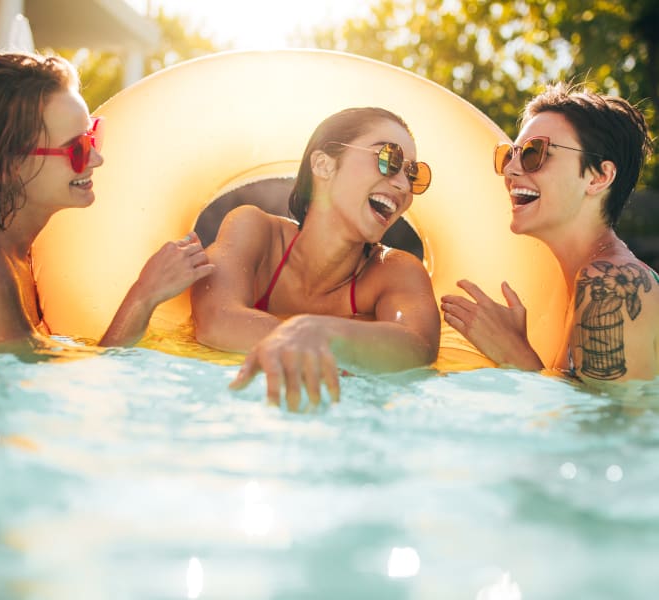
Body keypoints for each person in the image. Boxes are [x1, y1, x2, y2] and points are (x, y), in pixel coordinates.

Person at [0, 52, 214, 352]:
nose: (96, 158)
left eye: (92, 136)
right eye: (78, 148)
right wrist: (144, 296)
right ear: (5, 167)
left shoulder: (20, 253)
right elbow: (34, 396)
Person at [191, 107, 440, 409]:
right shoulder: (255, 231)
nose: (403, 185)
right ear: (323, 165)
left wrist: (321, 332)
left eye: (413, 173)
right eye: (389, 159)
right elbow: (215, 320)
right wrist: (312, 336)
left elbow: (417, 348)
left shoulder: (394, 271)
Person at [441, 82, 658, 384]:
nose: (511, 170)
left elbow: (612, 427)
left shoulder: (610, 284)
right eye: (510, 155)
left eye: (534, 153)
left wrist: (514, 353)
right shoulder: (583, 282)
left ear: (599, 177)